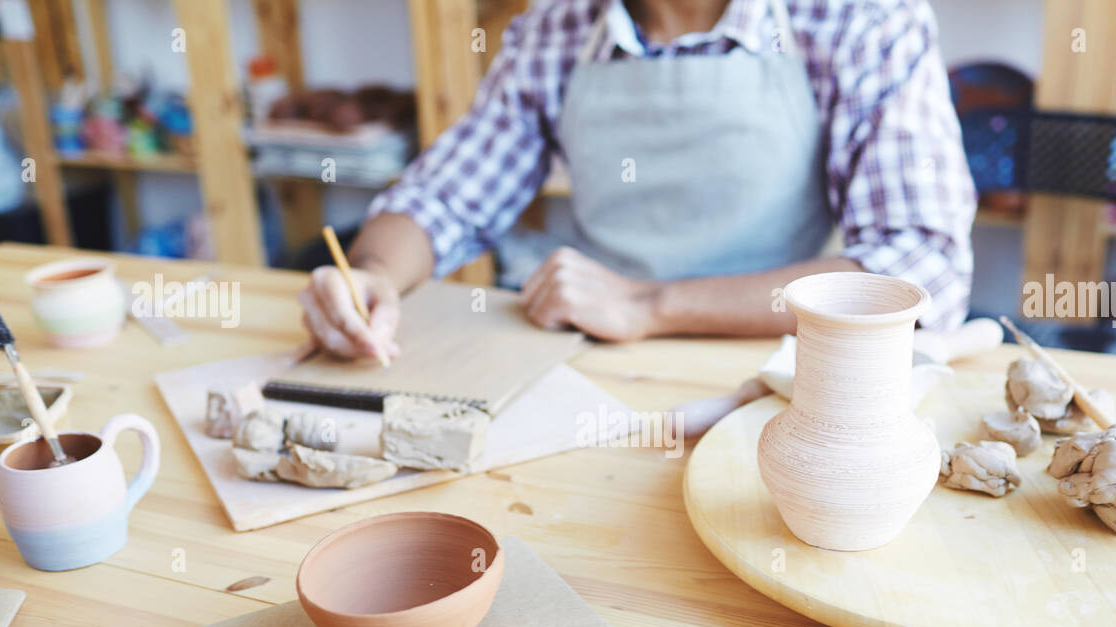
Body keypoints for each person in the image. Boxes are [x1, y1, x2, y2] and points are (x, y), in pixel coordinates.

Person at [298, 0, 975, 360]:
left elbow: (921, 273)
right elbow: (443, 198)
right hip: (596, 358)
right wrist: (375, 275)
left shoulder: (863, 18)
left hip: (784, 365)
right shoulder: (552, 30)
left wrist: (652, 304)